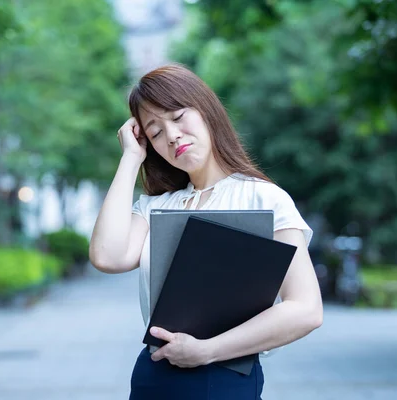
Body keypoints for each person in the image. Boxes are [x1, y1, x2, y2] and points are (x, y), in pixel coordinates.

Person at [89, 64, 323, 399]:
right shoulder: (156, 207)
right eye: (155, 132)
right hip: (154, 374)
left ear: (206, 111)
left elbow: (306, 309)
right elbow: (106, 256)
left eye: (178, 116)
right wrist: (130, 157)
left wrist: (208, 349)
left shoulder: (262, 197)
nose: (171, 136)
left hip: (225, 375)